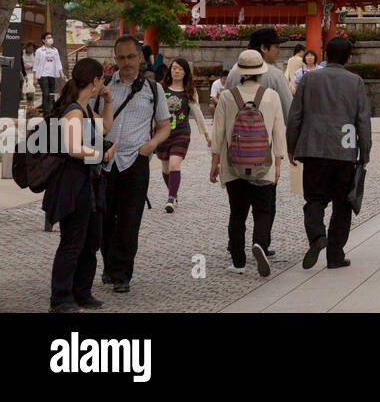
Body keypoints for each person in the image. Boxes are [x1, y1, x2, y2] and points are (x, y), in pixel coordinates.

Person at [286, 35, 372, 270]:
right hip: (344, 150)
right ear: (349, 57)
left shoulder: (309, 79)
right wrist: (365, 153)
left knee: (314, 199)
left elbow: (295, 115)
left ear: (325, 55)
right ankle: (335, 255)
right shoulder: (355, 82)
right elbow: (363, 120)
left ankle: (316, 237)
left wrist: (291, 146)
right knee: (342, 204)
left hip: (313, 148)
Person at [97, 35, 170, 294]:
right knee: (104, 219)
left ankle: (122, 273)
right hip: (105, 164)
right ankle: (108, 265)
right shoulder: (104, 86)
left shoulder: (153, 89)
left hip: (135, 162)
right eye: (121, 57)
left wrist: (150, 147)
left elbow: (164, 126)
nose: (126, 62)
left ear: (140, 57)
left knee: (129, 220)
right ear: (114, 59)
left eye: (131, 56)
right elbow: (91, 121)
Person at [44, 58, 114, 312]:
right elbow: (72, 148)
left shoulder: (85, 109)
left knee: (90, 240)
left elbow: (105, 127)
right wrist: (101, 155)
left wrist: (108, 100)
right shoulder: (73, 110)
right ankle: (61, 298)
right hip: (73, 182)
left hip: (90, 182)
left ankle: (82, 291)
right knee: (72, 241)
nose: (103, 84)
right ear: (94, 81)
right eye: (102, 80)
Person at [210, 50, 286, 278]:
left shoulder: (226, 96)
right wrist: (279, 163)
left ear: (240, 72)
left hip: (234, 166)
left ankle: (238, 262)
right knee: (263, 211)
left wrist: (214, 163)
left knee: (237, 214)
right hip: (265, 164)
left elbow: (219, 132)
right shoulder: (271, 95)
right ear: (261, 73)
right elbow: (278, 131)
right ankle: (260, 244)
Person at [157, 57, 211, 213]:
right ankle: (173, 192)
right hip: (162, 133)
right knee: (166, 168)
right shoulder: (161, 88)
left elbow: (198, 113)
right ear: (170, 70)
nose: (176, 71)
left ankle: (171, 198)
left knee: (175, 164)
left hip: (181, 133)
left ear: (186, 72)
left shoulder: (190, 91)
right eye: (174, 68)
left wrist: (206, 133)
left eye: (180, 69)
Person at [228, 27, 294, 118]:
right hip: (266, 131)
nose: (279, 51)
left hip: (234, 131)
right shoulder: (275, 75)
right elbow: (289, 111)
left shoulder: (232, 72)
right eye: (276, 46)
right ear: (264, 48)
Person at [33, 32, 65, 117]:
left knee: (51, 94)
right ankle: (46, 113)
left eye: (51, 37)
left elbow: (58, 62)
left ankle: (51, 111)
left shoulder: (55, 50)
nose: (50, 39)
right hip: (42, 75)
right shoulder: (39, 51)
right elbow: (35, 65)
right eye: (48, 38)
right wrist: (35, 78)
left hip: (52, 75)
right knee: (46, 93)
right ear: (43, 40)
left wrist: (61, 73)